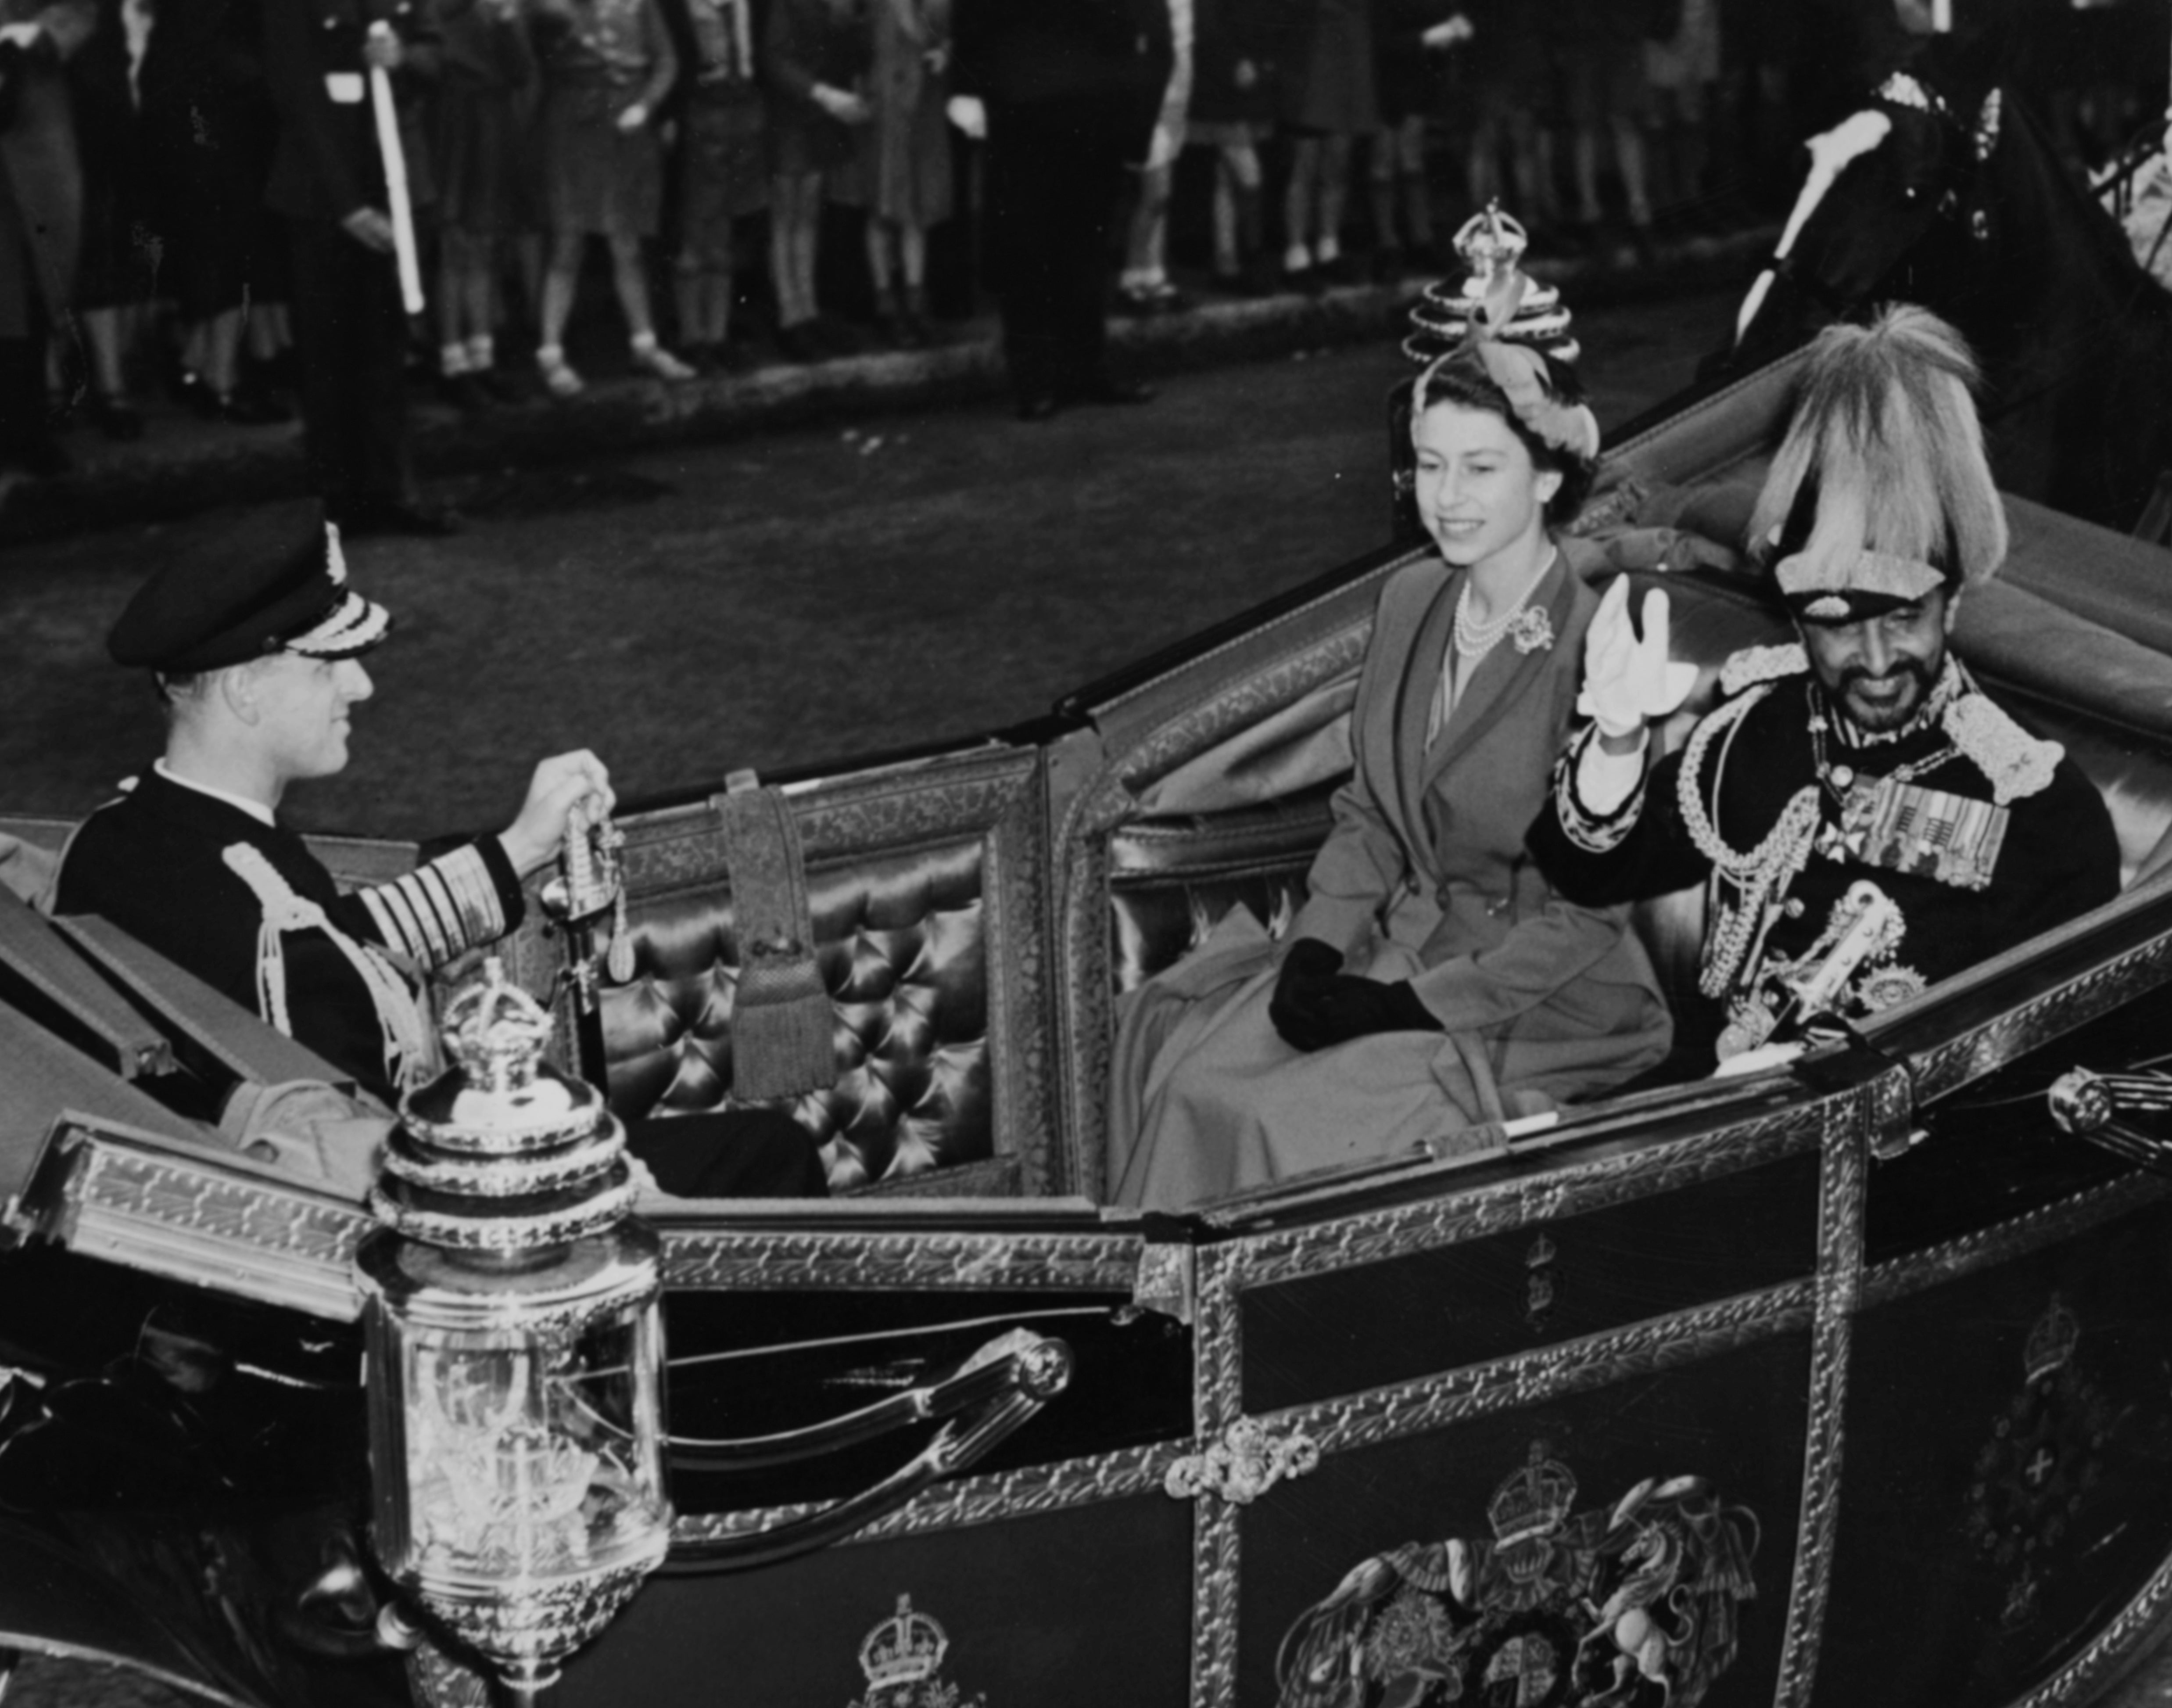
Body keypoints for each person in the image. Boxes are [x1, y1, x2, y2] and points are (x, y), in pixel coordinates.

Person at [54, 511, 830, 1199]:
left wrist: (519, 847)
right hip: (402, 1227)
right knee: (769, 1151)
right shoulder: (265, 915)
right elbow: (354, 1095)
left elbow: (333, 938)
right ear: (245, 692)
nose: (358, 686)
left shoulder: (120, 840)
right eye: (327, 663)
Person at [1107, 281, 1672, 1209]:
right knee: (1188, 1072)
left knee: (1280, 1124)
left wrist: (1407, 1006)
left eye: (1480, 470)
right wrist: (1318, 948)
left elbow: (1581, 920)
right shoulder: (1413, 598)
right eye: (1429, 465)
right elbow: (1371, 813)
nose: (1445, 500)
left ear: (1546, 477)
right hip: (1398, 945)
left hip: (1542, 994)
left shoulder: (1596, 643)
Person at [1528, 305, 2122, 1073]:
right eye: (1838, 625)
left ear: (1956, 603)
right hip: (1702, 1107)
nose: (1875, 659)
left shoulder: (2041, 811)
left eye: (1906, 616)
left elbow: (2041, 1075)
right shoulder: (1758, 726)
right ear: (1799, 623)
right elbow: (1587, 872)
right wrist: (1614, 739)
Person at [262, 0, 452, 536]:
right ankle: (335, 501)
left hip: (394, 185)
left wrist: (404, 58)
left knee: (385, 351)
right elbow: (295, 92)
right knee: (326, 354)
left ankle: (393, 490)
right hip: (323, 199)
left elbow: (437, 56)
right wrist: (347, 205)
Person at [948, 0, 1169, 421]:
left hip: (1097, 112)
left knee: (1089, 250)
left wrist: (1138, 127)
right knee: (1027, 249)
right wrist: (966, 90)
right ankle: (1034, 380)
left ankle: (1085, 369)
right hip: (1022, 111)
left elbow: (1151, 31)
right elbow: (972, 19)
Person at [530, 0, 693, 396]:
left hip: (628, 126)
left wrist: (647, 105)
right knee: (568, 241)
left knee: (627, 241)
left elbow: (668, 61)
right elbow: (534, 54)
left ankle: (645, 345)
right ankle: (550, 353)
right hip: (574, 122)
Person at [0, 0, 89, 475]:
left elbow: (79, 9)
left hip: (28, 120)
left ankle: (28, 430)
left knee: (30, 288)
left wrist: (37, 36)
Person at [763, 0, 870, 362]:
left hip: (820, 116)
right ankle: (789, 316)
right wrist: (824, 94)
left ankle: (809, 312)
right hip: (790, 114)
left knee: (808, 216)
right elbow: (774, 60)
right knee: (787, 217)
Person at [847, 0, 951, 348]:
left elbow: (950, 33)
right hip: (883, 103)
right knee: (881, 205)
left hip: (924, 104)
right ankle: (886, 305)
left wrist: (948, 52)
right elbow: (853, 41)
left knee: (918, 205)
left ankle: (916, 302)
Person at [671, 0, 767, 370]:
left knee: (725, 232)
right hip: (698, 116)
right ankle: (692, 337)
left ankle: (718, 335)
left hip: (742, 114)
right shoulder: (680, 7)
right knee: (694, 232)